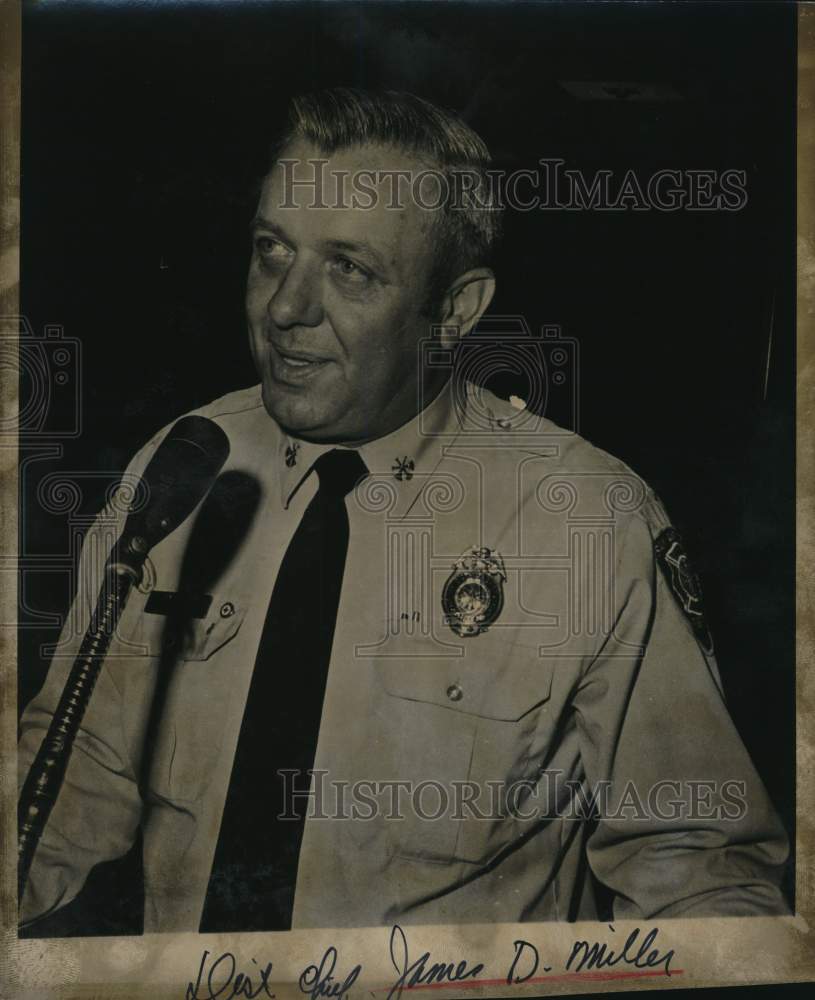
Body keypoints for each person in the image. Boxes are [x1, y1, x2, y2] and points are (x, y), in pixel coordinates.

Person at [18, 88, 790, 934]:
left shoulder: (586, 521)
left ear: (454, 310)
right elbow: (73, 771)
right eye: (272, 250)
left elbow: (695, 867)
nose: (283, 307)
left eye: (349, 268)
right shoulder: (181, 469)